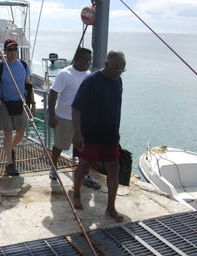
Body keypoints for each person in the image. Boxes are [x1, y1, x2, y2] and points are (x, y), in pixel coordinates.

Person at [71, 50, 126, 222]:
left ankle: (110, 207)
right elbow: (76, 108)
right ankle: (77, 193)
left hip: (110, 136)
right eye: (116, 69)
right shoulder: (91, 81)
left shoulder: (118, 81)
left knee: (114, 168)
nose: (118, 73)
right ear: (106, 64)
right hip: (91, 135)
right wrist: (78, 133)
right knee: (84, 164)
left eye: (121, 70)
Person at [48, 47, 101, 190]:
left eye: (90, 60)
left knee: (83, 147)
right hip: (64, 117)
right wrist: (52, 116)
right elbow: (53, 95)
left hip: (82, 119)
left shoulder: (89, 75)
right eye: (86, 59)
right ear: (76, 59)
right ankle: (53, 167)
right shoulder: (64, 74)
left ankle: (84, 173)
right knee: (59, 145)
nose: (88, 62)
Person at [0, 39, 37, 176]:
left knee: (21, 132)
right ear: (4, 51)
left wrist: (33, 104)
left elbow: (29, 85)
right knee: (8, 134)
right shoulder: (0, 68)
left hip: (20, 103)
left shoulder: (24, 65)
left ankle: (10, 149)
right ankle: (9, 164)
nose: (13, 52)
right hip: (5, 105)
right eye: (10, 49)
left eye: (15, 49)